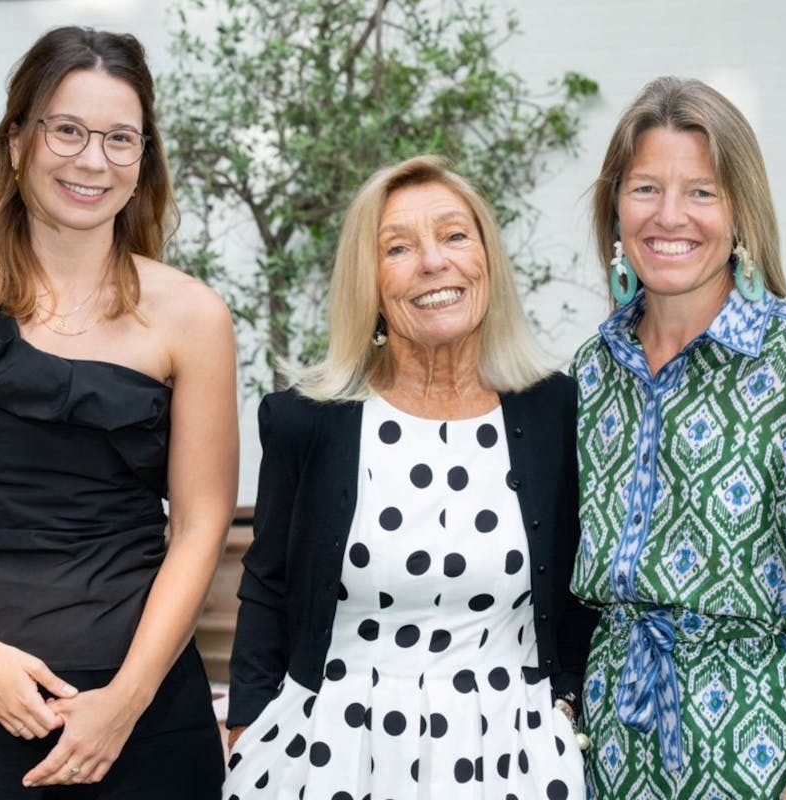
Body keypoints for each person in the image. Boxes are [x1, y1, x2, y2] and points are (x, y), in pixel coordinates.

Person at [0, 27, 237, 798]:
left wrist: (127, 700)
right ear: (17, 142)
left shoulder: (194, 318)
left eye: (120, 138)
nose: (92, 160)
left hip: (142, 708)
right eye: (67, 129)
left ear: (144, 159)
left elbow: (202, 523)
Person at [223, 154, 598, 799]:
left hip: (513, 751)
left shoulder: (557, 411)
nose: (433, 262)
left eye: (455, 235)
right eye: (399, 247)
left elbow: (577, 594)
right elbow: (267, 587)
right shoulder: (305, 420)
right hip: (334, 750)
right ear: (369, 283)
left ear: (488, 261)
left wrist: (566, 705)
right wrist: (247, 733)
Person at [570, 75, 786, 799]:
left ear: (740, 211)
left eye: (702, 192)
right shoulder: (592, 368)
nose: (670, 216)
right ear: (615, 209)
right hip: (612, 745)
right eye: (646, 188)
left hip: (757, 743)